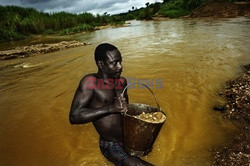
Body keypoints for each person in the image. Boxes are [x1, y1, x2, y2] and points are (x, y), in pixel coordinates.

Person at [69, 43, 153, 166]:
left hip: (128, 139)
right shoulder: (90, 82)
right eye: (114, 63)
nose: (120, 67)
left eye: (120, 61)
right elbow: (74, 116)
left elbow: (125, 113)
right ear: (101, 64)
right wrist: (110, 108)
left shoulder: (122, 82)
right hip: (110, 144)